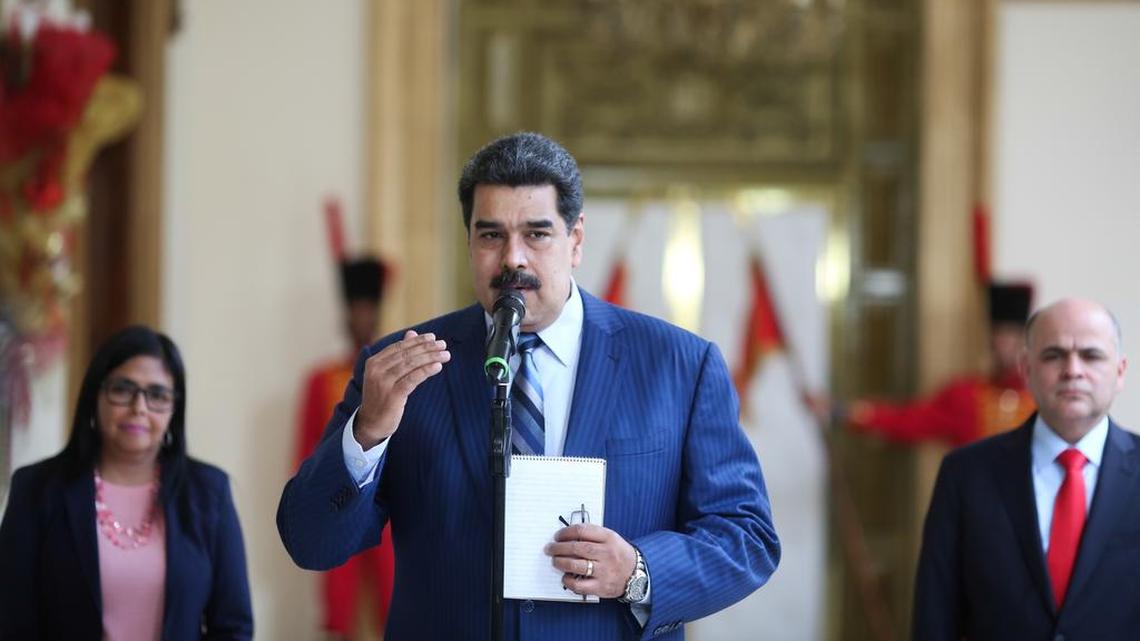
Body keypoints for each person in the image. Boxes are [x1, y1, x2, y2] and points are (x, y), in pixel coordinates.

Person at [277, 132, 780, 640]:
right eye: (490, 235)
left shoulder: (680, 366)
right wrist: (366, 434)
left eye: (537, 234)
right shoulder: (399, 369)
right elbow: (310, 542)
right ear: (470, 240)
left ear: (576, 240)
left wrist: (638, 571)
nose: (512, 258)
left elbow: (747, 538)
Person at [0, 325, 253, 640]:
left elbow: (233, 626)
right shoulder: (36, 489)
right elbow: (12, 623)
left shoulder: (208, 492)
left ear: (174, 409)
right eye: (123, 389)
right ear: (96, 395)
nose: (139, 408)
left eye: (158, 395)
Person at [913, 298, 1139, 640]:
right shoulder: (965, 474)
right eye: (1054, 355)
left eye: (1091, 356)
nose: (1073, 370)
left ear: (1120, 371)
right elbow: (935, 614)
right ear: (1026, 369)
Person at [295, 257, 395, 640]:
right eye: (357, 310)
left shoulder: (394, 373)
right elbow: (306, 453)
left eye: (370, 310)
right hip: (336, 505)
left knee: (395, 602)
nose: (363, 319)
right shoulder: (321, 380)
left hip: (388, 509)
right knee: (341, 608)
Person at [809, 282, 1036, 446]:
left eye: (1013, 334)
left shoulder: (1042, 400)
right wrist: (844, 412)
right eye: (999, 334)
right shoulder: (966, 396)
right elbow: (907, 421)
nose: (1005, 343)